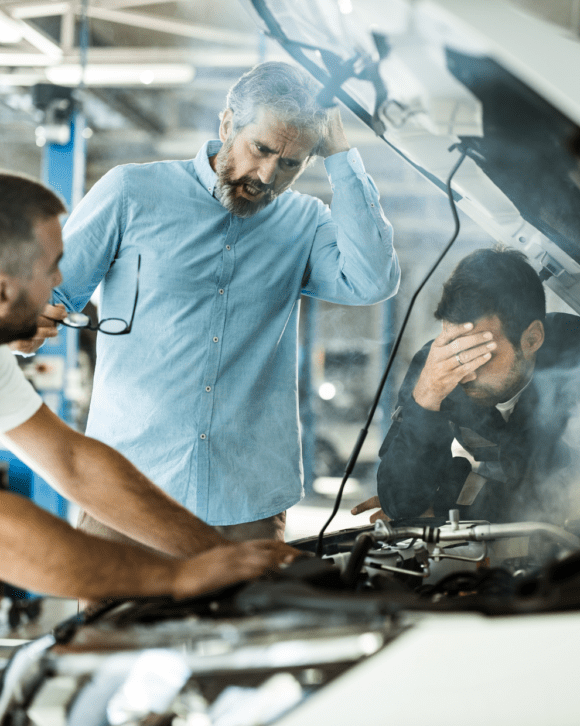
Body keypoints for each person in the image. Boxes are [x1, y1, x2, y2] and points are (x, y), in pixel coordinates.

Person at [0, 167, 296, 603]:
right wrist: (176, 576)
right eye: (52, 268)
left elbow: (73, 461)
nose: (60, 282)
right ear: (0, 294)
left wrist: (216, 554)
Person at [26, 61, 400, 543]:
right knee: (112, 621)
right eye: (260, 149)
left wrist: (342, 157)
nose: (267, 174)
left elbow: (371, 281)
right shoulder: (131, 193)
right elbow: (48, 294)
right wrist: (27, 324)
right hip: (128, 490)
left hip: (247, 500)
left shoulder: (304, 222)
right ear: (228, 125)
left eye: (291, 163)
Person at [353, 246, 580, 525]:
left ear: (531, 339)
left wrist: (447, 503)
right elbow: (401, 501)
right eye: (455, 348)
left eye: (481, 355)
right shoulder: (438, 367)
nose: (464, 374)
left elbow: (566, 495)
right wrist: (426, 398)